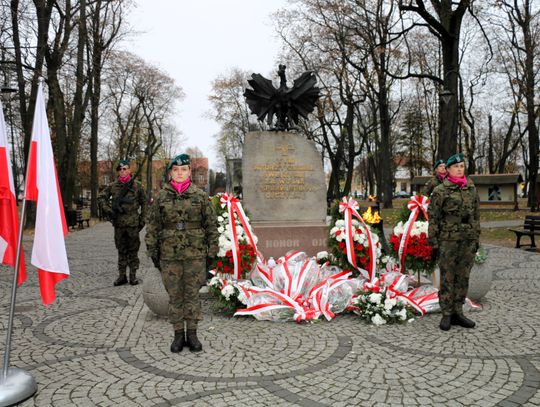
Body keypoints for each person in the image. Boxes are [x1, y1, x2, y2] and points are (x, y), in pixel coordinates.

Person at [145, 153, 218, 353]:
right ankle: (178, 335)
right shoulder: (161, 196)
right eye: (176, 170)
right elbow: (152, 226)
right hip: (169, 255)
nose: (179, 173)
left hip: (195, 255)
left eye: (183, 169)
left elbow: (211, 225)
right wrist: (153, 251)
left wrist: (211, 253)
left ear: (189, 172)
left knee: (192, 295)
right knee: (175, 296)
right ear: (171, 173)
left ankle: (192, 334)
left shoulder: (200, 196)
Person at [428, 153, 480, 331]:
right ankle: (447, 314)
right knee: (448, 276)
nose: (460, 169)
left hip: (467, 238)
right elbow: (433, 218)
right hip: (448, 239)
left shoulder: (471, 188)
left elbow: (476, 214)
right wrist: (433, 242)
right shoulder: (441, 190)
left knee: (463, 276)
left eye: (462, 166)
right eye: (456, 166)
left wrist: (476, 236)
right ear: (448, 170)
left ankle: (458, 311)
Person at [99, 159, 147, 286]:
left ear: (129, 170)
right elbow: (101, 197)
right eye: (120, 169)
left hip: (133, 224)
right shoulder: (113, 186)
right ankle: (122, 276)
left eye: (125, 168)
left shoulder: (137, 185)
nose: (123, 171)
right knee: (121, 250)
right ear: (118, 172)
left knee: (133, 250)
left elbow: (145, 203)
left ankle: (133, 276)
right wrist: (108, 211)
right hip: (119, 224)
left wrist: (142, 220)